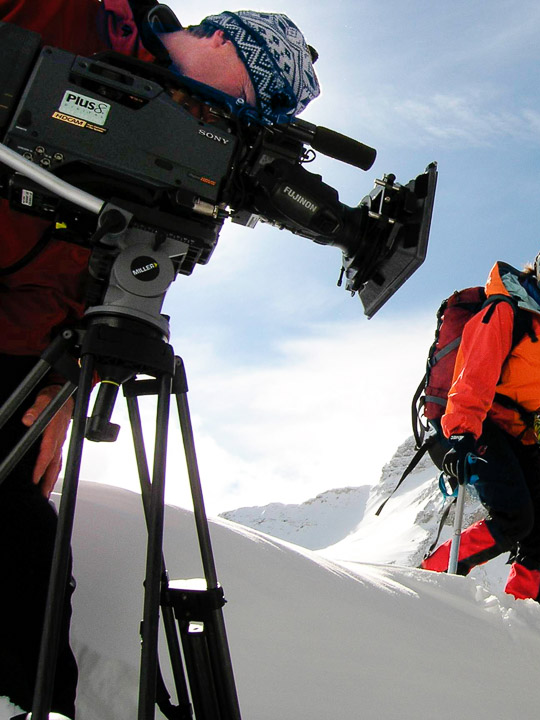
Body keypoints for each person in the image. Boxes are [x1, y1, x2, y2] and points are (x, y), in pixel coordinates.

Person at [0, 1, 319, 716]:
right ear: (222, 39)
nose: (248, 110)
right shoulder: (73, 14)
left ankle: (36, 703)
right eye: (256, 86)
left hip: (21, 351)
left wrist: (63, 389)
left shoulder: (182, 161)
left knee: (26, 541)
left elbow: (111, 285)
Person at [420, 232, 540, 603]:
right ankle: (429, 578)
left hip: (524, 438)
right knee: (514, 520)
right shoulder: (504, 311)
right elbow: (473, 375)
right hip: (484, 426)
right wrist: (460, 434)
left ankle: (521, 624)